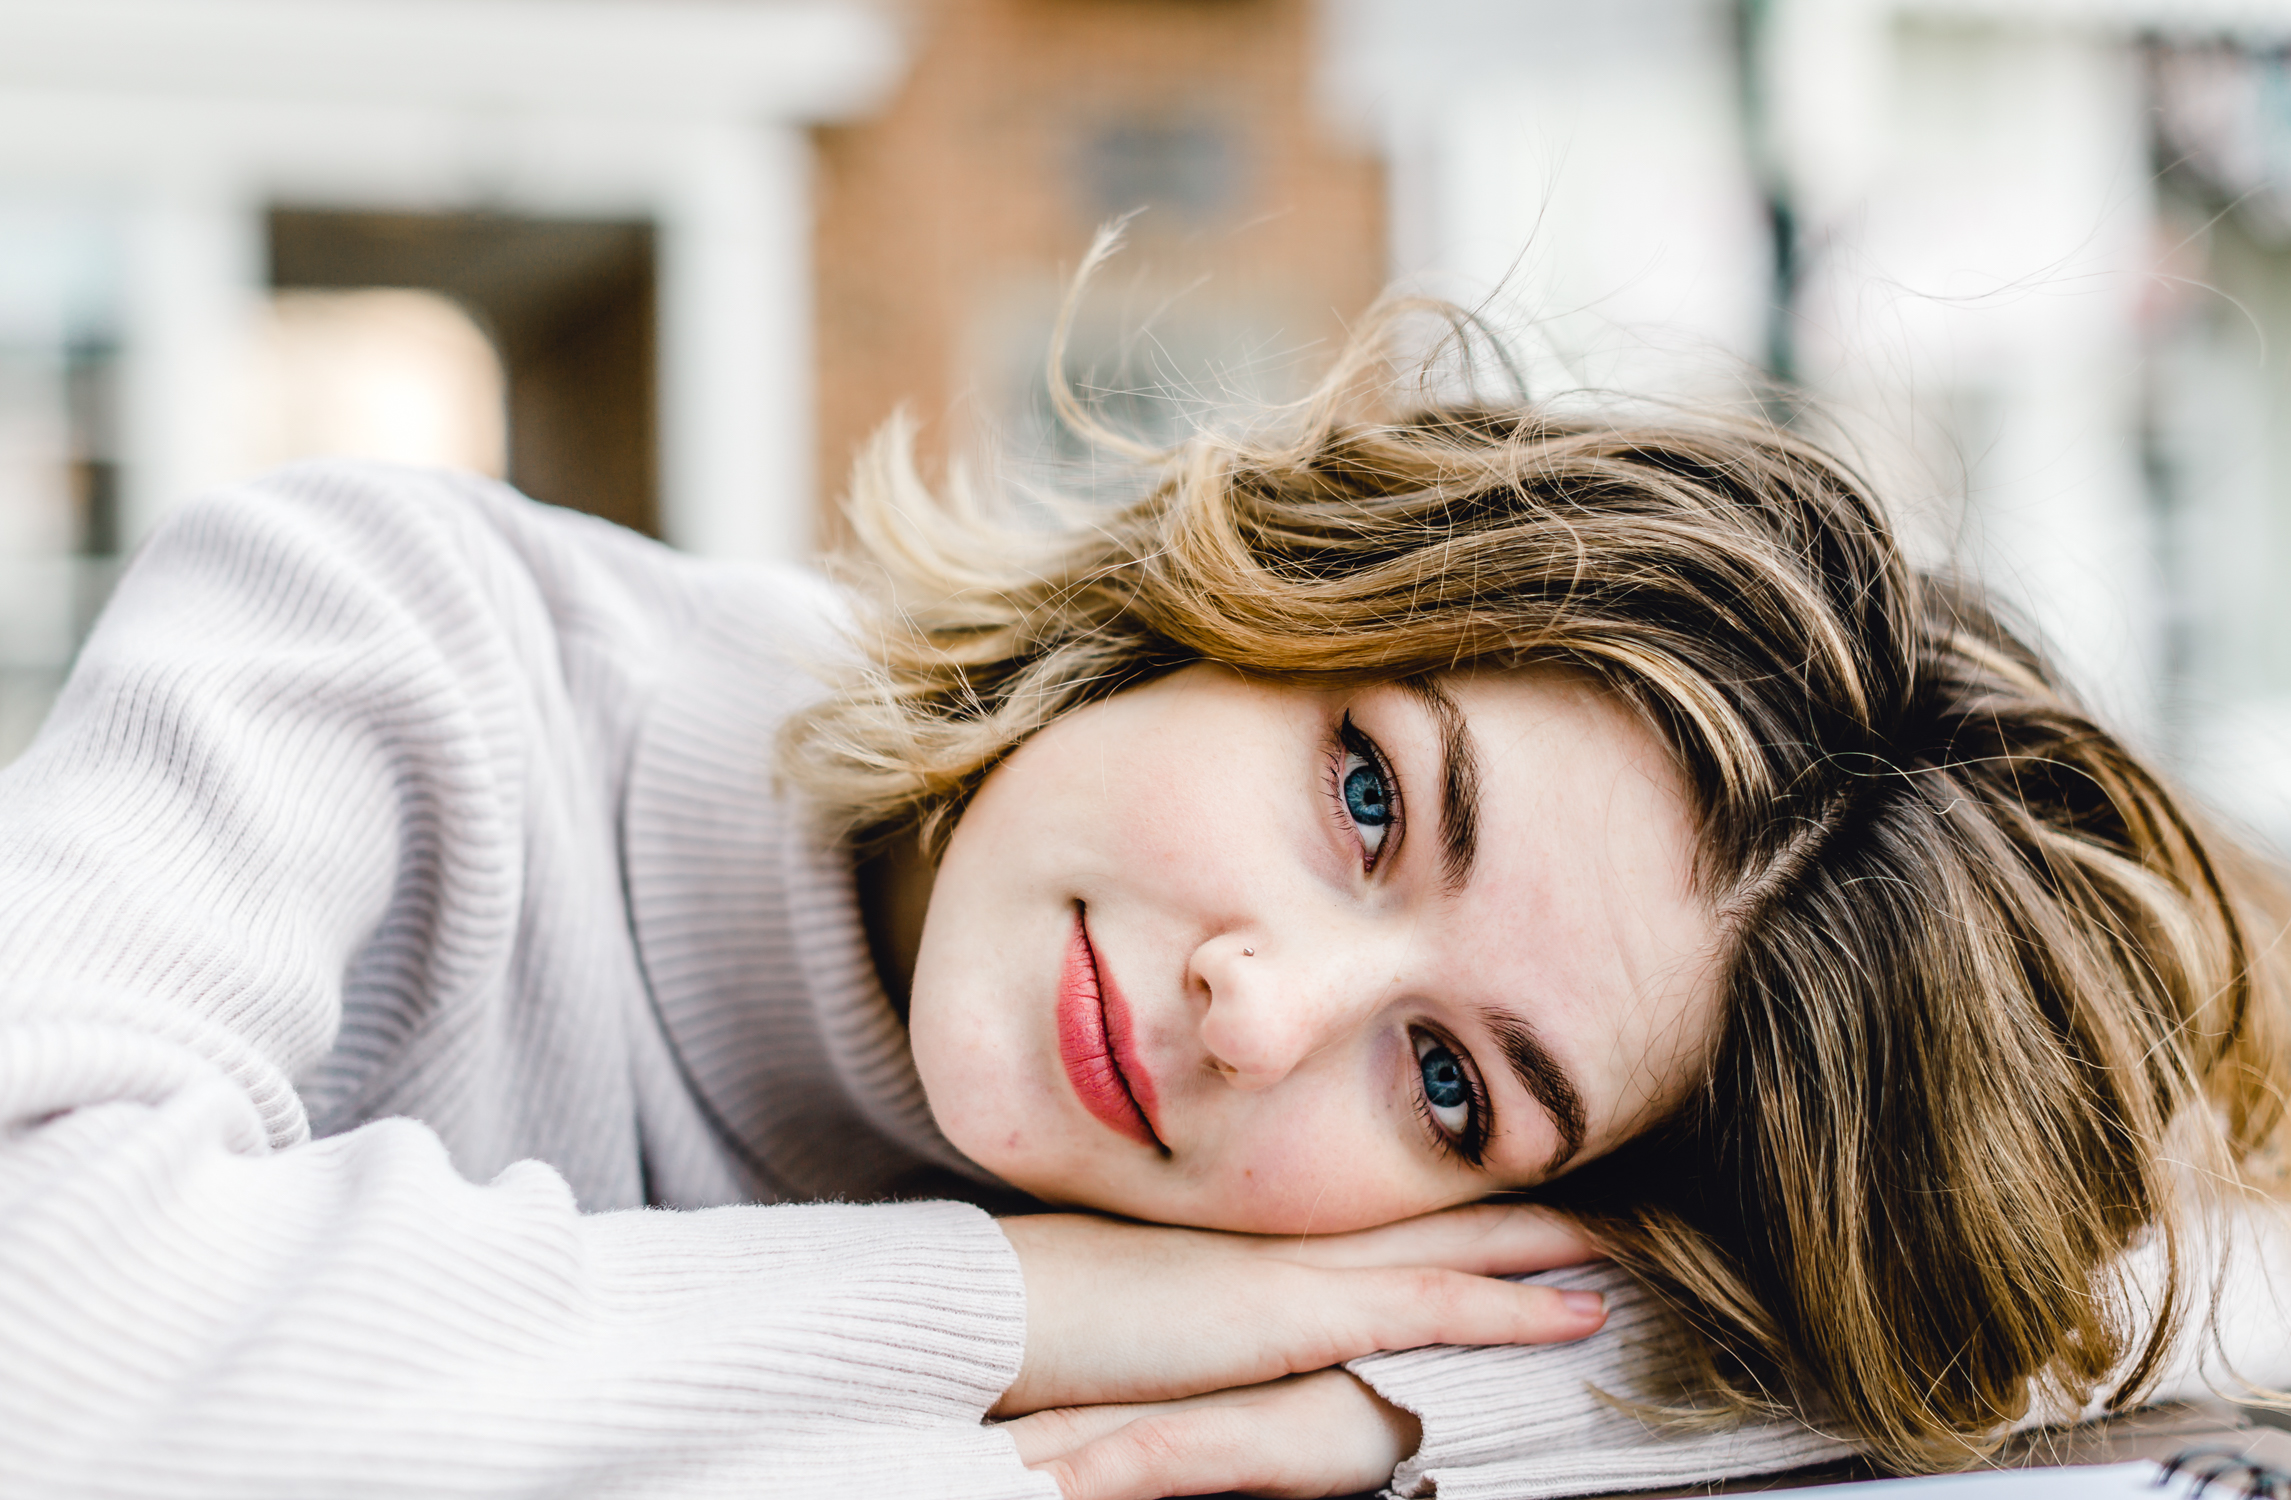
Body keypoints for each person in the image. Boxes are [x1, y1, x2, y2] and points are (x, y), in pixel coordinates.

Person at [0, 281, 2285, 1500]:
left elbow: (2142, 1334)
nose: (1259, 1010)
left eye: (1456, 1094)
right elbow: (39, 1349)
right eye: (1375, 803)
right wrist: (1017, 1308)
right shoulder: (395, 647)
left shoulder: (1306, 1312)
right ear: (1272, 585)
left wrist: (1440, 1406)